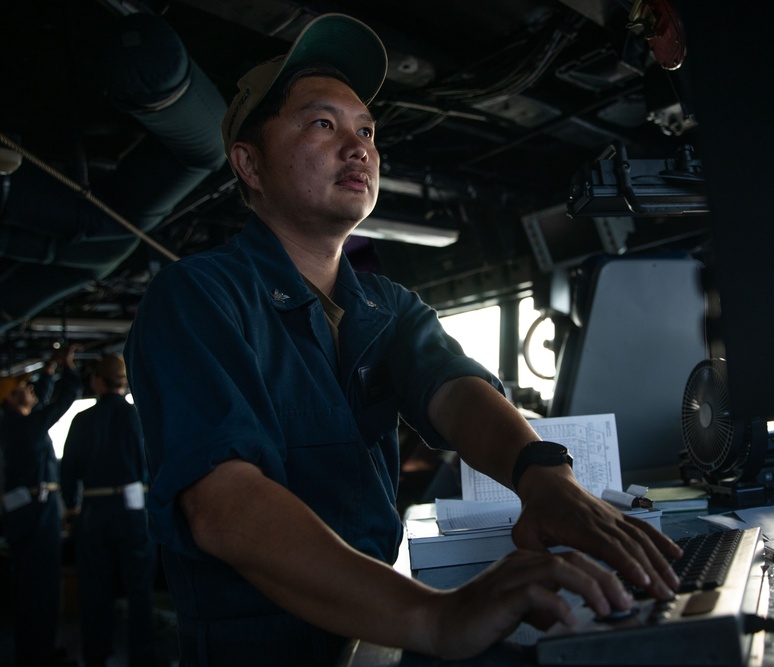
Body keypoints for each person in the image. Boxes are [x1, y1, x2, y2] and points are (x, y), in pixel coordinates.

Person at [124, 13, 681, 665]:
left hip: (373, 635)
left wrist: (545, 475)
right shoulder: (198, 297)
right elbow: (224, 505)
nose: (358, 146)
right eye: (322, 123)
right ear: (248, 161)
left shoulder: (385, 305)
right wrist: (436, 615)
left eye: (366, 129)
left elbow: (455, 390)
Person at [61, 354, 156, 666]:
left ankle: (96, 655)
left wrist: (72, 506)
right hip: (134, 513)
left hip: (94, 514)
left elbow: (69, 472)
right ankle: (143, 656)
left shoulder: (82, 420)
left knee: (95, 591)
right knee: (140, 591)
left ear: (96, 381)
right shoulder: (141, 417)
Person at [0, 346, 81, 666]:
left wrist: (48, 371)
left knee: (28, 584)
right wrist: (69, 368)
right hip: (38, 513)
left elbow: (38, 402)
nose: (29, 390)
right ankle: (40, 653)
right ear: (9, 399)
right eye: (23, 389)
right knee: (43, 584)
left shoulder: (11, 425)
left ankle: (31, 650)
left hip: (23, 513)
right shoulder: (26, 427)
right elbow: (65, 399)